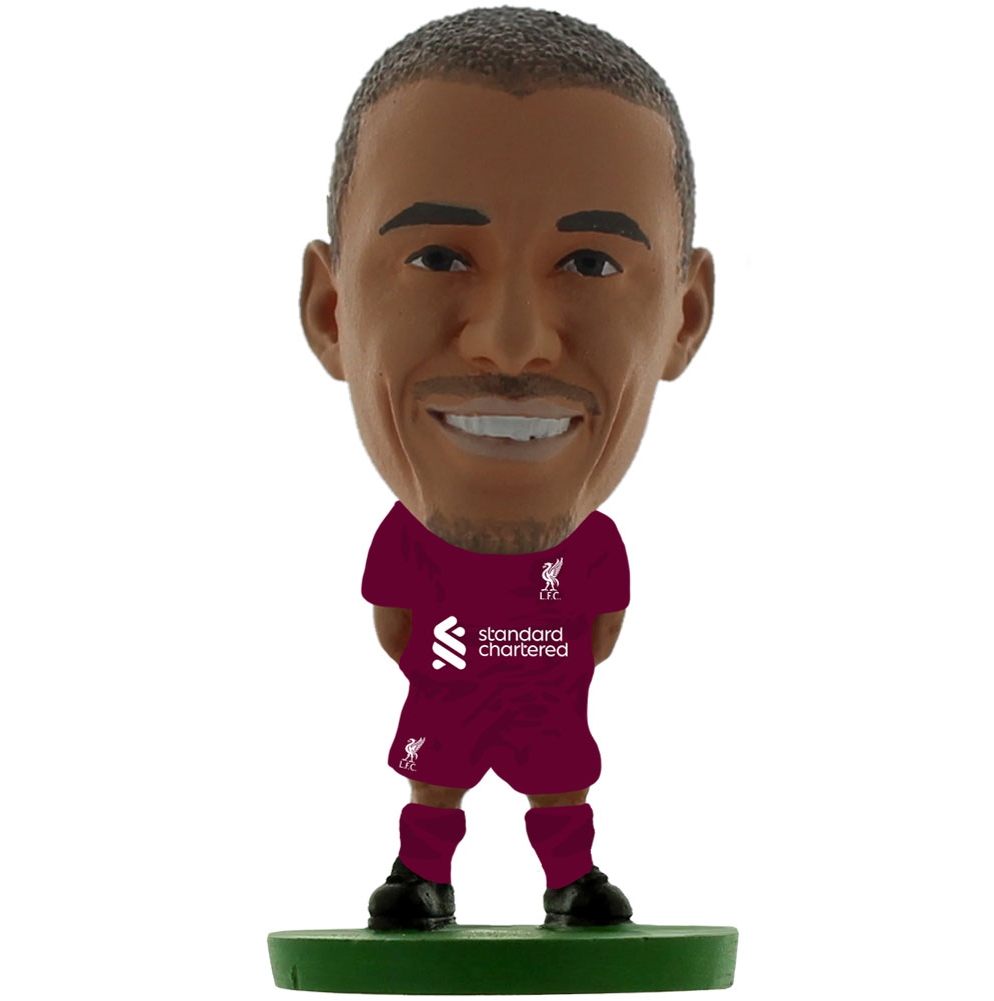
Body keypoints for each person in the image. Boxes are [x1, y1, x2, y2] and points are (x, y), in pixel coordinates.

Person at [300, 6, 714, 930]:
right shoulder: (405, 542)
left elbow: (586, 629)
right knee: (434, 785)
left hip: (545, 709)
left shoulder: (595, 548)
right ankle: (422, 877)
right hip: (449, 701)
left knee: (558, 788)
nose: (514, 342)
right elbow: (400, 626)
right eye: (438, 256)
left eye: (591, 263)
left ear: (683, 318)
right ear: (331, 312)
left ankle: (571, 880)